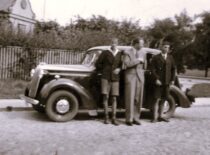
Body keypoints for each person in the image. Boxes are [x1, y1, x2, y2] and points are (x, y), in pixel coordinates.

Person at [95, 38, 122, 125]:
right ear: (110, 43)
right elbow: (97, 64)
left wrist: (119, 69)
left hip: (115, 78)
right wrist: (105, 70)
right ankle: (106, 117)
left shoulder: (120, 53)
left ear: (117, 44)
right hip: (105, 77)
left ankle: (114, 118)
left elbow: (122, 65)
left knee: (114, 98)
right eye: (112, 43)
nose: (114, 44)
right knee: (105, 97)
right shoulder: (105, 52)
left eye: (115, 43)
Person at [150, 41, 176, 123]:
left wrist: (172, 80)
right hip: (158, 82)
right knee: (156, 99)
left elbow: (173, 69)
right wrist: (156, 79)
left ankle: (160, 116)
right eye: (165, 47)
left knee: (164, 99)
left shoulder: (170, 57)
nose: (166, 49)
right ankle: (154, 117)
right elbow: (152, 69)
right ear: (161, 47)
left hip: (167, 82)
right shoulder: (156, 57)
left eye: (168, 47)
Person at [122, 38, 144, 126]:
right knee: (130, 98)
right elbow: (127, 64)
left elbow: (144, 66)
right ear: (136, 44)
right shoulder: (127, 52)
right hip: (130, 77)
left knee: (138, 98)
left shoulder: (144, 52)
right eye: (141, 44)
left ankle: (136, 118)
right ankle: (129, 119)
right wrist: (138, 60)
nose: (142, 46)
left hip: (140, 77)